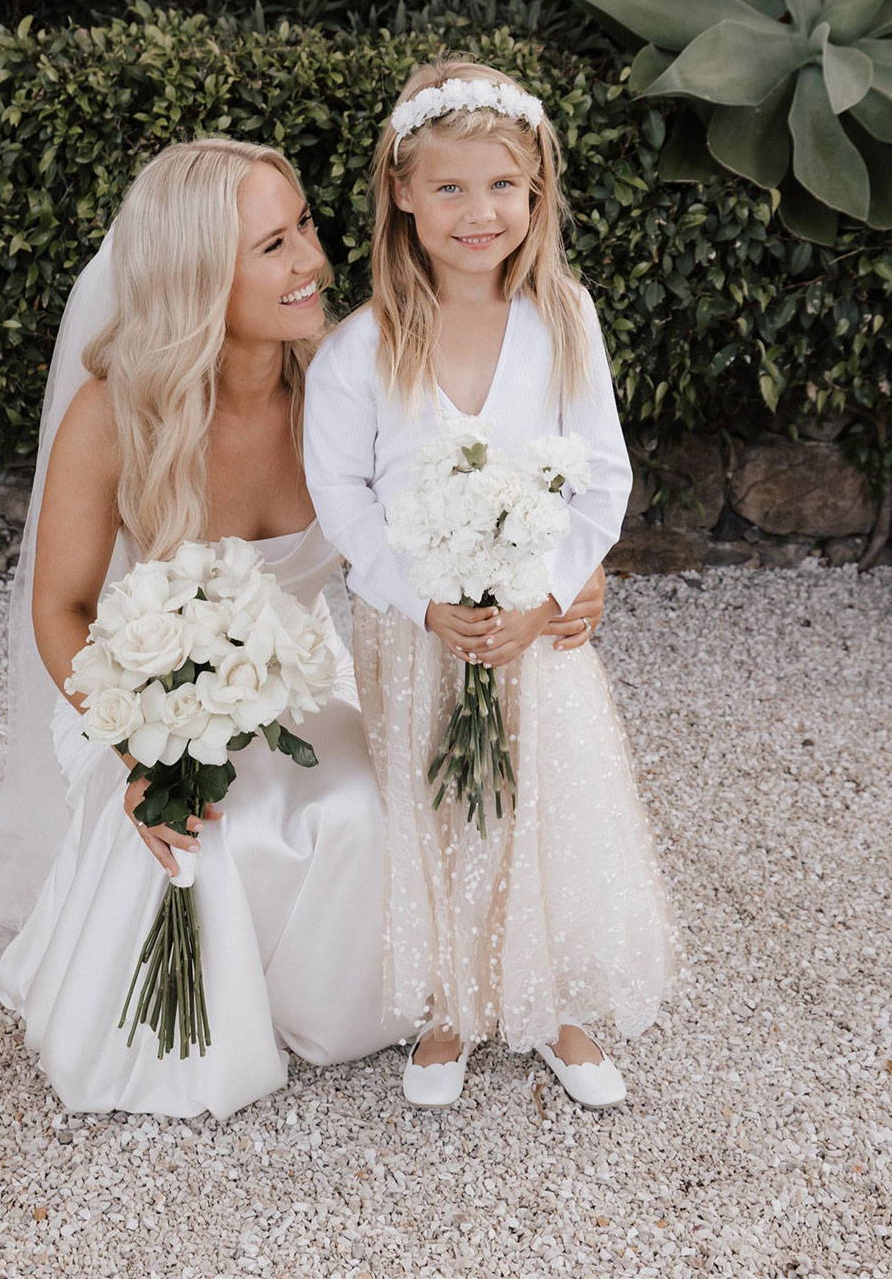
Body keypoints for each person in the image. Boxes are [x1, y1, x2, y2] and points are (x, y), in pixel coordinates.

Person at [0, 133, 609, 1121]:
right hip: (143, 694)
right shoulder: (115, 415)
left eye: (306, 230)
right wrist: (139, 749)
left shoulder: (349, 381)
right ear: (200, 277)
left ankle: (363, 999)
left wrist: (570, 580)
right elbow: (61, 607)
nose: (312, 265)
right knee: (192, 845)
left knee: (373, 814)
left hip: (302, 674)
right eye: (273, 247)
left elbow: (491, 493)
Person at [303, 60, 684, 1110]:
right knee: (435, 799)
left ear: (537, 194)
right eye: (451, 188)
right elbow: (341, 498)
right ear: (403, 196)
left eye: (504, 186)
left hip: (534, 627)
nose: (480, 212)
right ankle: (447, 1004)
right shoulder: (360, 350)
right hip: (417, 632)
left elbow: (602, 472)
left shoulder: (562, 318)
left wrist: (555, 588)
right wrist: (416, 597)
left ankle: (550, 1001)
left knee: (543, 798)